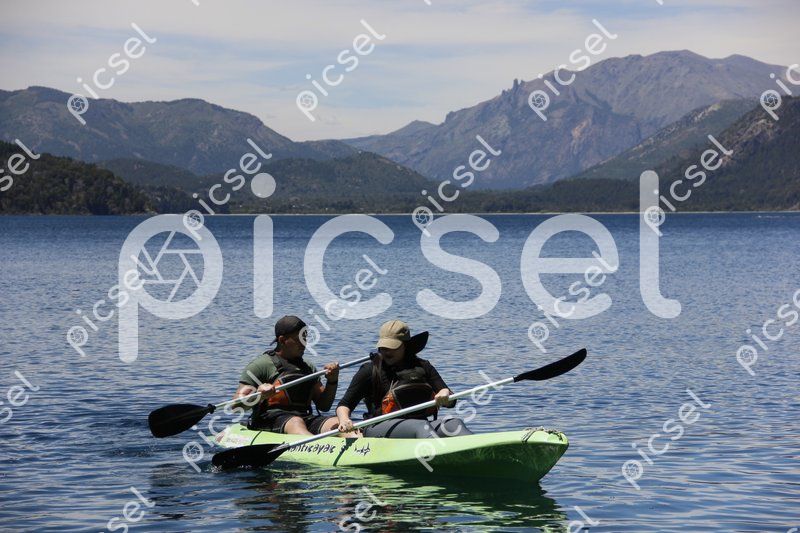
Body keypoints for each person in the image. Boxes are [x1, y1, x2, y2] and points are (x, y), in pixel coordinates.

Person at [334, 320, 473, 439]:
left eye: (392, 347)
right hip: (378, 427)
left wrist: (445, 394)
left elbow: (451, 401)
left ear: (406, 346)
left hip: (419, 425)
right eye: (383, 347)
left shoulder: (423, 366)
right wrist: (344, 419)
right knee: (421, 426)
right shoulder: (370, 370)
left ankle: (479, 450)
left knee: (454, 423)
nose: (386, 352)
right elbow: (344, 405)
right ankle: (438, 455)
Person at [233, 315, 339, 435]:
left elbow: (324, 406)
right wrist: (259, 395)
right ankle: (316, 445)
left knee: (337, 422)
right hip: (270, 420)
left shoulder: (308, 367)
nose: (304, 343)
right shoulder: (261, 365)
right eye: (299, 339)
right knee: (296, 422)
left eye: (305, 338)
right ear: (282, 340)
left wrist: (332, 381)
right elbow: (236, 405)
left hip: (305, 418)